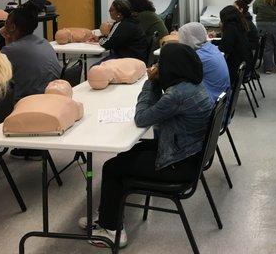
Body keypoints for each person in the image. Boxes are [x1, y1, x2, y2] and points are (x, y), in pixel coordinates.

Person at [79, 43, 214, 248]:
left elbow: (142, 118)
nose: (159, 65)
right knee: (129, 152)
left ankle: (111, 229)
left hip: (177, 165)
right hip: (188, 154)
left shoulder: (177, 95)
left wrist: (150, 83)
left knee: (112, 167)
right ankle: (108, 213)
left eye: (162, 63)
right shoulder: (194, 85)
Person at [0, 2, 62, 160]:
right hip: (53, 100)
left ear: (12, 27)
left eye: (6, 23)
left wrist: (7, 42)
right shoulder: (43, 42)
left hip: (29, 104)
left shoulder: (10, 51)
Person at [178, 22, 231, 103]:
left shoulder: (199, 57)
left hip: (211, 103)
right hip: (221, 103)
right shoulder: (211, 48)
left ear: (189, 39)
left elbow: (179, 76)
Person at [216, 5, 253, 84]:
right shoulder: (240, 25)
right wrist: (213, 43)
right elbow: (228, 42)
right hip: (245, 64)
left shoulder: (230, 27)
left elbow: (224, 48)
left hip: (235, 68)